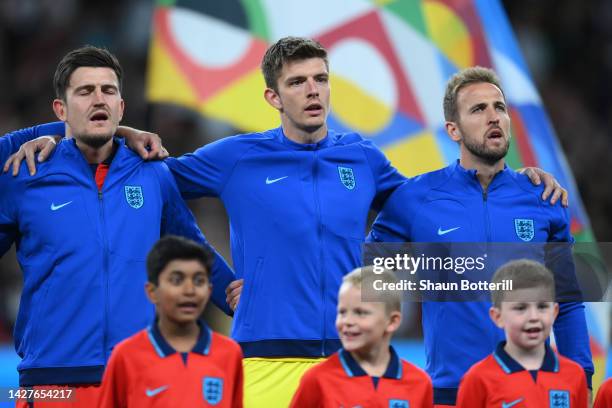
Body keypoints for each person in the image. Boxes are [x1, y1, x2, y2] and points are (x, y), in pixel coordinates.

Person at [1, 39, 568, 407]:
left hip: (355, 360)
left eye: (320, 79)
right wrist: (95, 135)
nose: (312, 90)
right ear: (273, 95)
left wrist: (523, 188)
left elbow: (436, 207)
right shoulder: (236, 157)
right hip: (265, 361)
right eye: (298, 82)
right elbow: (147, 177)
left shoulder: (363, 158)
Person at [0, 46, 234, 407]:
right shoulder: (26, 173)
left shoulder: (153, 173)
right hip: (51, 382)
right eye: (85, 91)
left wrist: (241, 297)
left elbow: (194, 250)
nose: (99, 100)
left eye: (108, 91)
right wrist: (49, 134)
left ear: (121, 107)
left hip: (140, 378)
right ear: (60, 109)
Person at [368, 66, 593, 407]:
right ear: (453, 130)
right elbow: (367, 272)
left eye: (499, 107)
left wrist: (581, 377)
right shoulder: (416, 197)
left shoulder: (543, 198)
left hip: (533, 391)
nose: (493, 117)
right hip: (450, 392)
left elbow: (568, 300)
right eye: (478, 109)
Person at [98, 236, 243, 407]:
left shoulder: (229, 354)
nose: (189, 290)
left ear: (209, 290)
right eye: (176, 280)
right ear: (152, 291)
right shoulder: (125, 356)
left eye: (199, 281)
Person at [290, 266, 433, 407]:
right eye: (342, 312)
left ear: (392, 321)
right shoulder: (317, 380)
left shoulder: (419, 383)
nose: (347, 321)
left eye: (360, 313)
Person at [456, 259, 588, 408]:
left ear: (555, 312)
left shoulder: (575, 375)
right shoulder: (477, 378)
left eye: (542, 306)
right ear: (497, 317)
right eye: (520, 308)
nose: (533, 316)